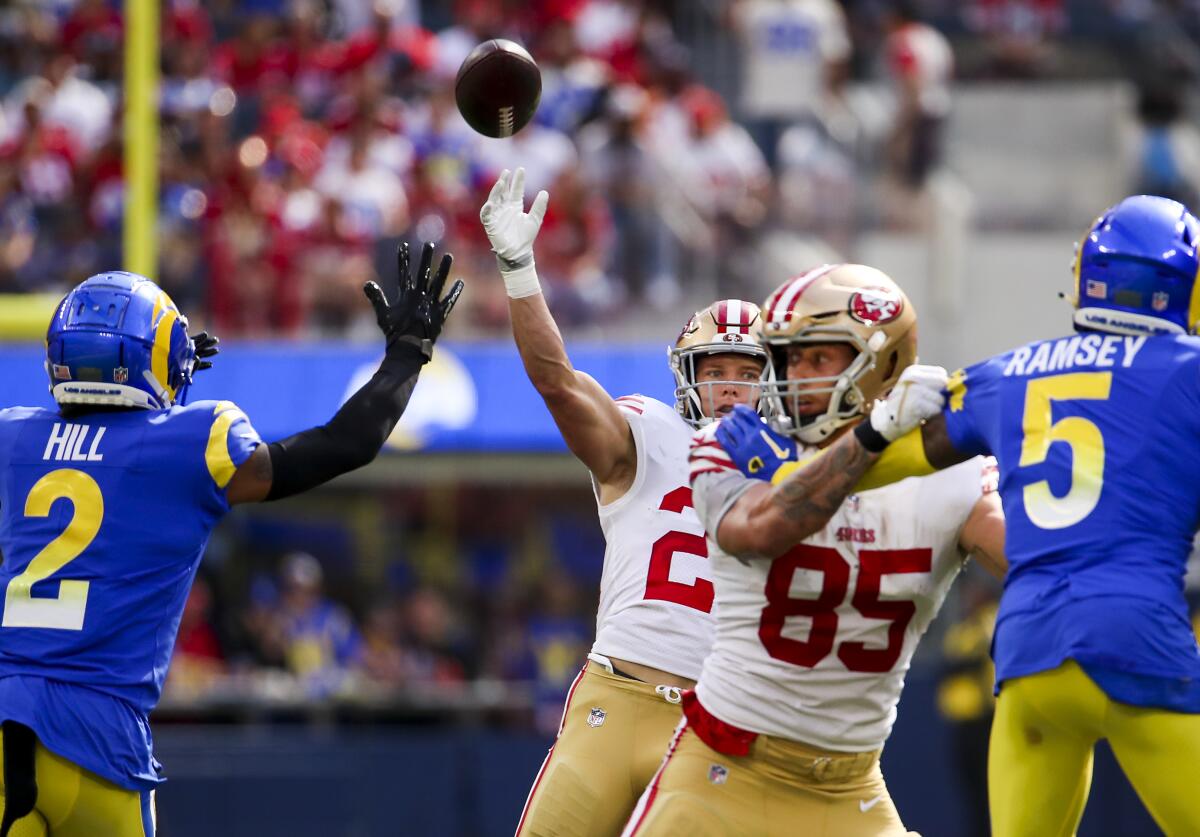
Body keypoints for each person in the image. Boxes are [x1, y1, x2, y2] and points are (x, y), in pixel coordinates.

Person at [719, 195, 1200, 836]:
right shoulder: (1187, 374)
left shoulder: (1008, 373)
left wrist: (782, 474)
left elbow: (877, 461)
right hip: (1137, 641)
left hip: (1029, 659)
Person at [0, 242, 463, 836]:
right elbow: (343, 444)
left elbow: (99, 453)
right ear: (153, 359)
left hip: (9, 719)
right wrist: (406, 355)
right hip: (102, 742)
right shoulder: (196, 438)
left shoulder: (13, 441)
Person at [623, 263, 1006, 836]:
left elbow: (1042, 558)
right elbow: (763, 530)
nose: (795, 375)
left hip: (850, 788)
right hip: (725, 768)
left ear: (883, 366)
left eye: (819, 358)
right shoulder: (734, 446)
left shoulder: (954, 476)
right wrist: (875, 436)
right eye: (788, 357)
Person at [479, 168, 772, 837]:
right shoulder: (650, 433)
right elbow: (556, 382)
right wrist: (520, 268)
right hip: (617, 693)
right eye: (715, 370)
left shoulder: (800, 473)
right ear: (687, 377)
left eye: (748, 372)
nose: (730, 387)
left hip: (714, 722)